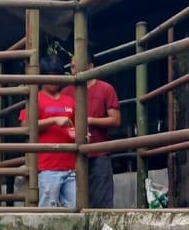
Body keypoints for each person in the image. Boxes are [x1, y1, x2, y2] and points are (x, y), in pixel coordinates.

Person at [20, 54, 78, 208]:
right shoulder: (35, 98)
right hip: (46, 167)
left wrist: (78, 134)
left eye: (56, 76)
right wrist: (54, 120)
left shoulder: (70, 101)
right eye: (49, 76)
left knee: (74, 208)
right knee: (48, 210)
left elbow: (77, 127)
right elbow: (25, 125)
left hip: (71, 166)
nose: (53, 80)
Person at [79, 74, 121, 208]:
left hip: (99, 153)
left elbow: (115, 119)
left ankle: (104, 229)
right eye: (72, 66)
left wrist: (90, 120)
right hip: (74, 155)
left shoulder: (105, 88)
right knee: (76, 201)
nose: (73, 69)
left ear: (90, 67)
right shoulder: (67, 90)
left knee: (102, 201)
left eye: (76, 65)